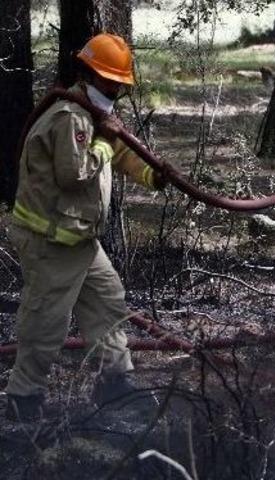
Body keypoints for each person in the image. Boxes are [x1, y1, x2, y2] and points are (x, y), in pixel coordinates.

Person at [5, 33, 166, 421]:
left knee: (108, 303)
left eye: (121, 85)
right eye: (113, 83)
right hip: (51, 241)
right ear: (91, 75)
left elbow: (121, 151)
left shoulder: (93, 115)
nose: (118, 92)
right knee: (46, 320)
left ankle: (115, 382)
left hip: (78, 239)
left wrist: (153, 175)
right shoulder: (70, 116)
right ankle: (22, 398)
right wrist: (106, 141)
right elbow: (74, 174)